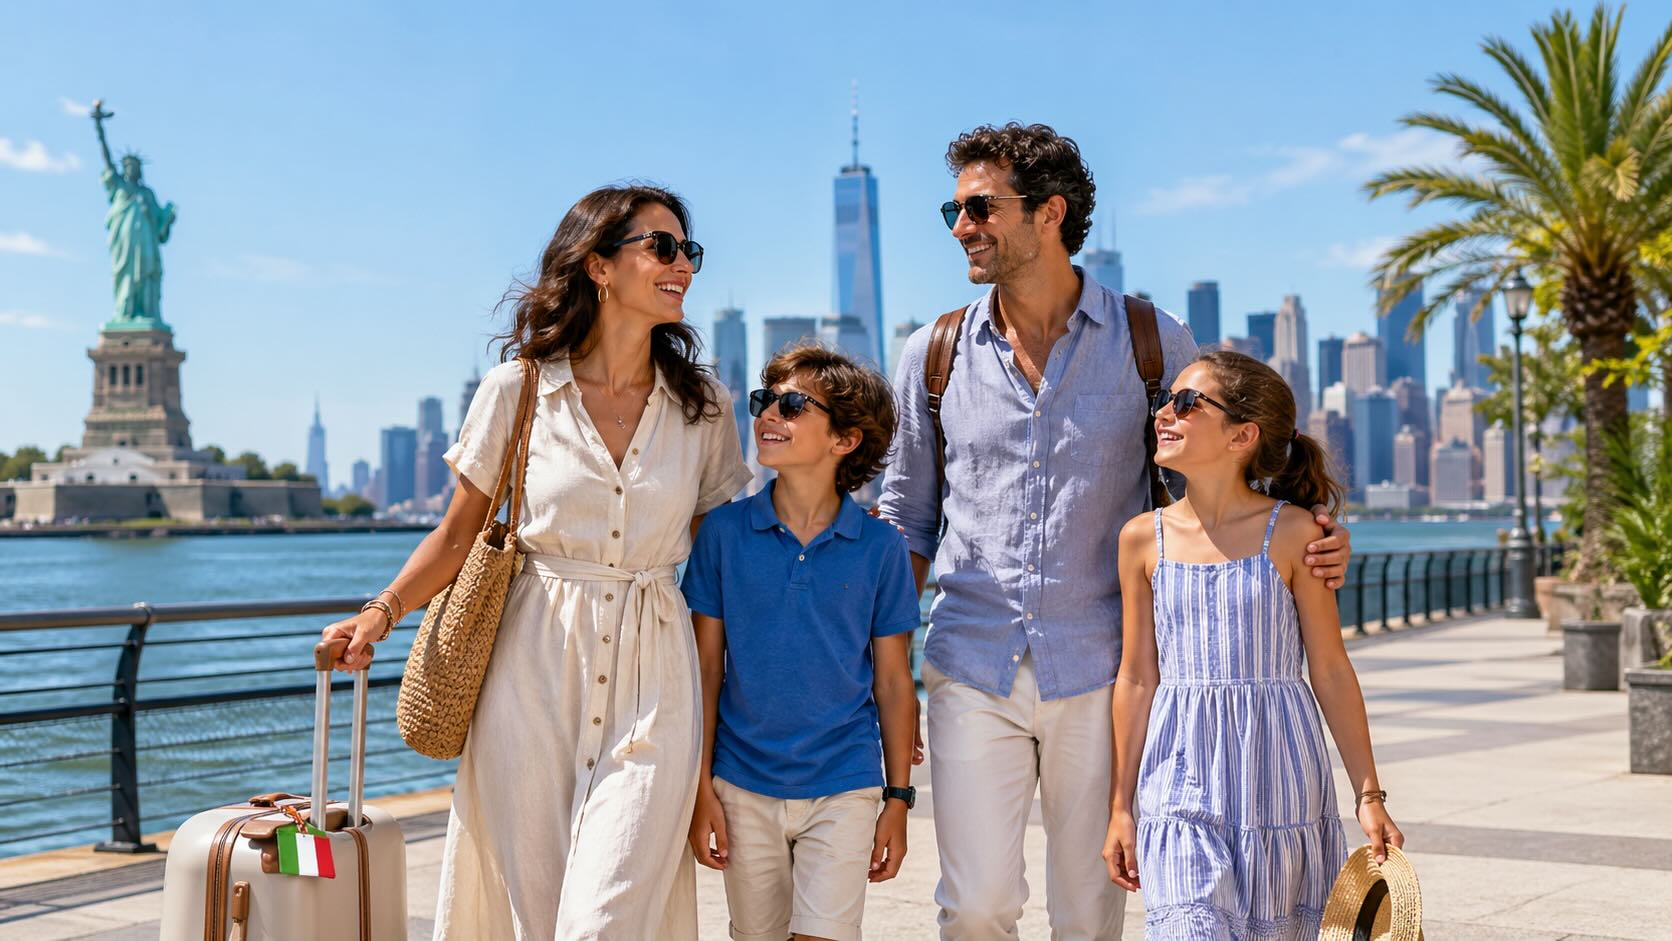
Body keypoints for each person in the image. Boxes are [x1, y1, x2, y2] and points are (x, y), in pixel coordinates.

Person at [877, 123, 1355, 940]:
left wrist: (1305, 530)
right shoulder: (935, 351)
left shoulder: (1150, 339)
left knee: (1089, 907)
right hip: (967, 659)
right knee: (976, 905)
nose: (962, 226)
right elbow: (905, 516)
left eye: (981, 207)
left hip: (1102, 663)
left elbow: (1217, 458)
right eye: (953, 210)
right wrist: (878, 667)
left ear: (1050, 212)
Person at [321, 184, 751, 940]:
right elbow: (457, 536)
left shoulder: (704, 408)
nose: (683, 263)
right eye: (662, 246)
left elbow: (727, 560)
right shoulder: (518, 390)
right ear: (598, 266)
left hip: (658, 680)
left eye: (689, 251)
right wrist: (379, 612)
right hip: (531, 675)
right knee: (536, 917)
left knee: (602, 922)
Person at [1103, 350, 1402, 939]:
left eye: (1187, 403)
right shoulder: (1142, 539)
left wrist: (1369, 794)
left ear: (1242, 435)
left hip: (1280, 774)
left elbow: (1331, 670)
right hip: (1178, 772)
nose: (1166, 413)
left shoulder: (1293, 534)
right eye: (1167, 400)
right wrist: (1120, 805)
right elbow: (1137, 677)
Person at [684, 343, 920, 941]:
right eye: (766, 402)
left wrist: (898, 798)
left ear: (845, 440)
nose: (767, 416)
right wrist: (699, 788)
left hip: (846, 782)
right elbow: (705, 671)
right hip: (741, 783)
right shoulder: (723, 534)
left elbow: (894, 682)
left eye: (792, 406)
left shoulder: (881, 548)